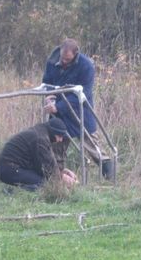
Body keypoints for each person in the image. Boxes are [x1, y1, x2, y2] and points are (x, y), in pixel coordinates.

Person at [42, 38, 114, 179]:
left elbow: (84, 93)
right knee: (56, 144)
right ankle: (57, 178)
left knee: (93, 146)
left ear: (76, 54)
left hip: (80, 111)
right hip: (58, 114)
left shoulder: (86, 66)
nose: (64, 62)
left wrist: (59, 107)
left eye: (67, 59)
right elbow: (47, 81)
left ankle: (110, 176)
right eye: (62, 58)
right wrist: (49, 95)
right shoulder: (52, 60)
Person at [0, 117, 78, 191]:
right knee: (45, 185)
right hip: (9, 169)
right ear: (53, 132)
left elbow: (48, 163)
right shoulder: (40, 139)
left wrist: (63, 171)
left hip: (12, 167)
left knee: (43, 180)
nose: (60, 140)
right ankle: (12, 192)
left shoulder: (41, 133)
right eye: (59, 136)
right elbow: (48, 169)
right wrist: (62, 178)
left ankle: (14, 190)